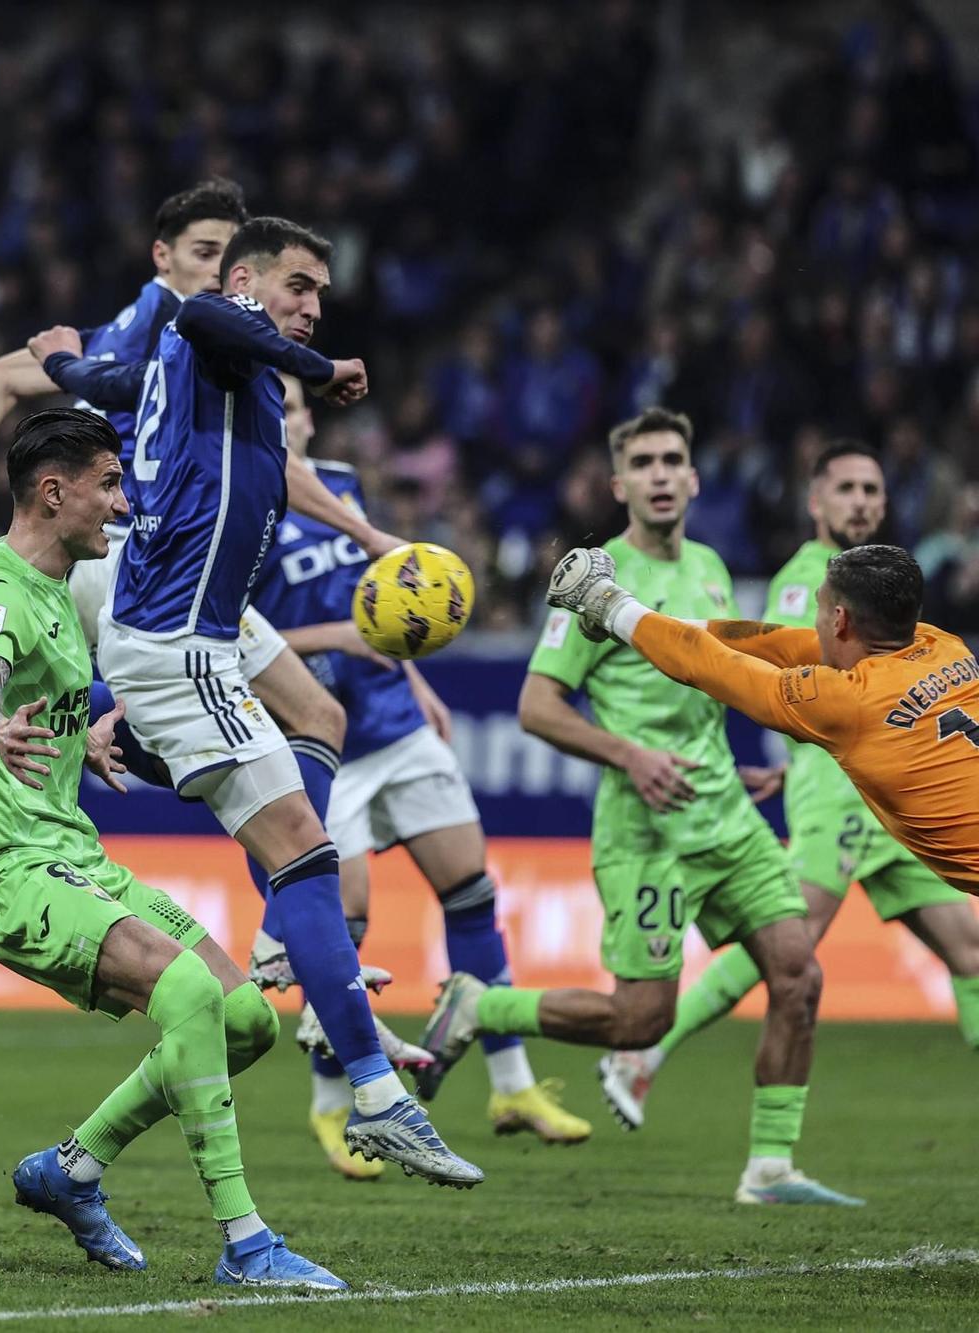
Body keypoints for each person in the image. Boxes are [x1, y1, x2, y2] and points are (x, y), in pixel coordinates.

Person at [81, 217, 480, 1187]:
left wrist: (369, 530)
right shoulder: (209, 325)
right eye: (298, 286)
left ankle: (265, 909)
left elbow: (284, 469)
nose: (310, 305)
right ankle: (374, 1090)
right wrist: (320, 355)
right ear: (247, 278)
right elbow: (220, 317)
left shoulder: (248, 383)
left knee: (319, 719)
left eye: (320, 293)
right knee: (305, 853)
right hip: (174, 635)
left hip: (213, 623)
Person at [0, 406, 344, 1288]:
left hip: (70, 852)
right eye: (109, 482)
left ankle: (72, 1169)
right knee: (190, 989)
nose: (123, 501)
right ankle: (247, 1242)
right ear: (55, 492)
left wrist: (79, 736)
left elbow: (24, 676)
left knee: (243, 1019)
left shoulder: (61, 591)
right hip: (1, 872)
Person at [426, 407, 858, 1206]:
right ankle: (481, 1003)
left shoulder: (713, 570)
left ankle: (770, 1166)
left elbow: (719, 685)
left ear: (694, 479)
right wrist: (630, 754)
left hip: (727, 816)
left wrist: (753, 766)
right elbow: (536, 707)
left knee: (799, 976)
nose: (661, 474)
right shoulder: (594, 580)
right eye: (645, 463)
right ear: (620, 484)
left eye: (674, 460)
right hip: (645, 832)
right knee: (640, 1021)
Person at [0, 181, 393, 845]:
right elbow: (280, 466)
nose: (217, 268)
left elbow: (0, 376)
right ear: (163, 256)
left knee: (307, 721)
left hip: (128, 554)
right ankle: (287, 923)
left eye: (227, 253)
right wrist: (368, 531)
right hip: (135, 557)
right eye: (204, 251)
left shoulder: (132, 332)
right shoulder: (184, 325)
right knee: (280, 735)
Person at [248, 379, 589, 1181]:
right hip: (325, 741)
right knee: (347, 918)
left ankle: (511, 1087)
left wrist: (422, 682)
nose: (293, 414)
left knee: (470, 888)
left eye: (298, 404)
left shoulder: (340, 484)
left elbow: (393, 601)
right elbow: (234, 629)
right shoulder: (244, 503)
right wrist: (344, 634)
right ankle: (334, 1103)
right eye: (280, 403)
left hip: (397, 720)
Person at [600, 444, 979, 1125]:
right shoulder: (942, 643)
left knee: (789, 938)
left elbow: (712, 667)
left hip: (851, 795)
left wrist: (613, 607)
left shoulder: (846, 696)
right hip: (865, 786)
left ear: (839, 619)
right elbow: (779, 642)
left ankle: (645, 1054)